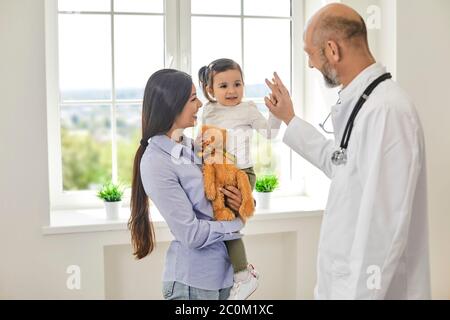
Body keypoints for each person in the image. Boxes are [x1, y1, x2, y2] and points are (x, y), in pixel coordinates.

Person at [264, 3, 430, 299]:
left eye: (309, 53)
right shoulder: (368, 102)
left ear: (332, 50)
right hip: (343, 280)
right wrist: (290, 119)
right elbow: (341, 166)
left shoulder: (387, 111)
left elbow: (384, 224)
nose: (310, 64)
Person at [128, 69, 246, 300]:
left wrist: (240, 202)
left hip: (224, 276)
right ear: (172, 105)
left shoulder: (193, 148)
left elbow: (222, 195)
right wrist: (234, 224)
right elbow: (191, 234)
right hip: (193, 285)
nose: (200, 104)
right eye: (193, 98)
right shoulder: (156, 162)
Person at [198, 58, 281, 299]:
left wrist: (275, 112)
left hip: (242, 174)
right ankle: (233, 275)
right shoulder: (208, 111)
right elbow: (204, 143)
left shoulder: (248, 109)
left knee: (229, 226)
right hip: (216, 174)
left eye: (237, 84)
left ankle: (243, 276)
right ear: (210, 90)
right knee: (217, 227)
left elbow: (270, 133)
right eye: (223, 86)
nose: (232, 90)